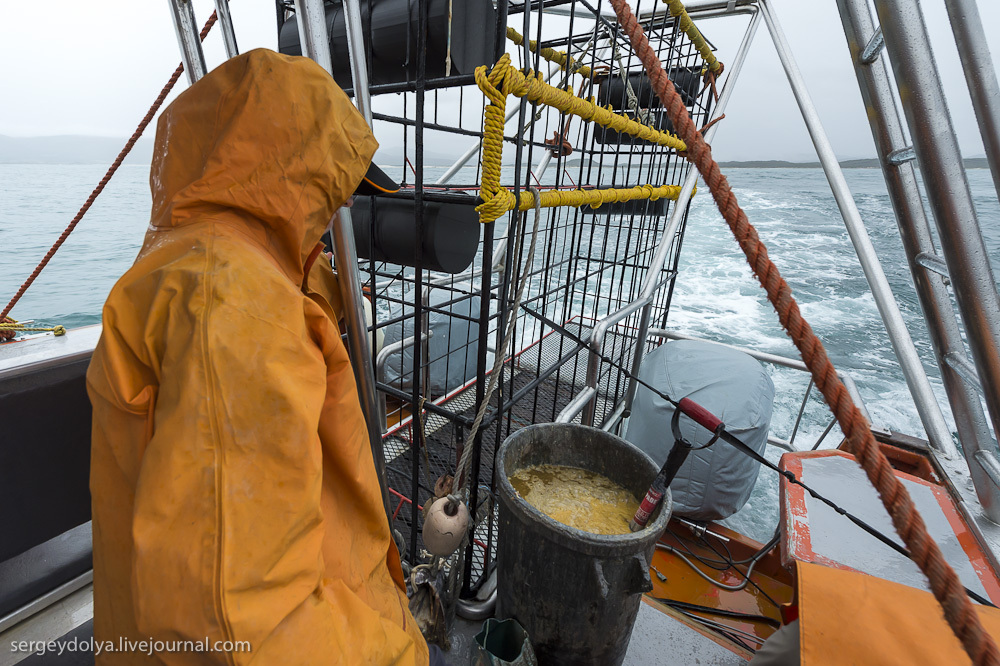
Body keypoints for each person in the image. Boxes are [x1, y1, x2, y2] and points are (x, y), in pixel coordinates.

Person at [87, 48, 430, 665]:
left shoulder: (206, 266)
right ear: (285, 176)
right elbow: (239, 625)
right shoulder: (233, 312)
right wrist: (403, 653)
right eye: (330, 187)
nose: (343, 207)